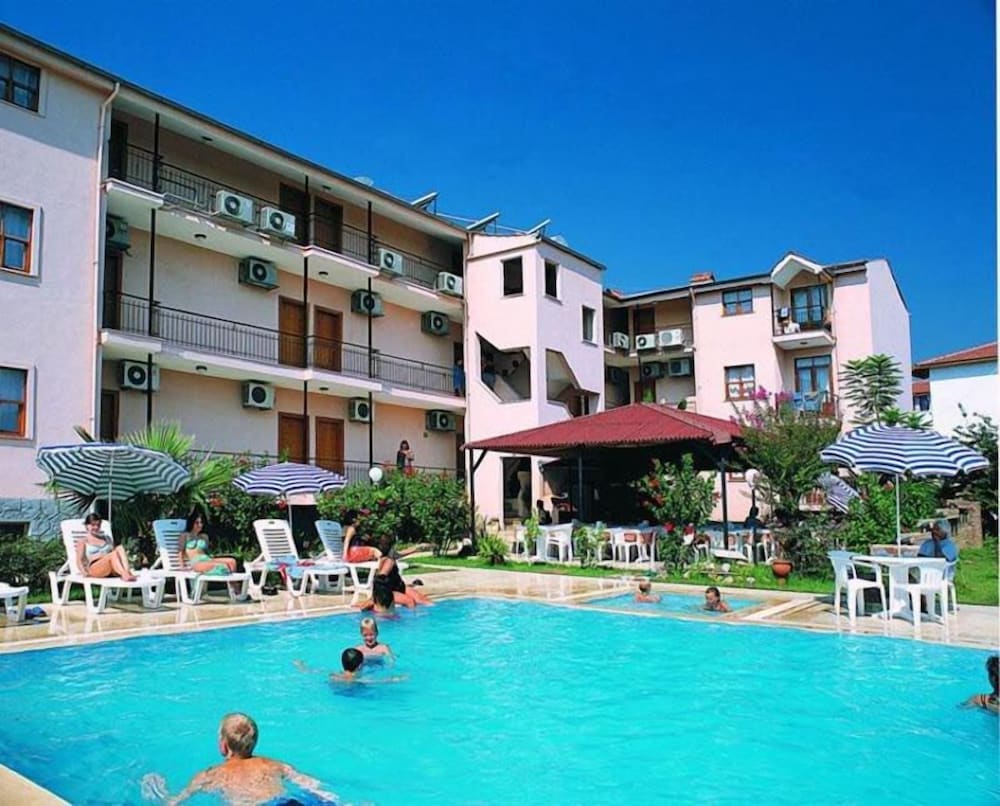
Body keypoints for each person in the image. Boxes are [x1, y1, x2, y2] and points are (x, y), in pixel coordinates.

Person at [146, 712, 332, 805]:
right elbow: (311, 784)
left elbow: (176, 801)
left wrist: (160, 790)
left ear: (223, 745)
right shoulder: (273, 765)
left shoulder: (211, 775)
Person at [76, 512, 137, 582]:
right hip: (95, 568)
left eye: (98, 525)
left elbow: (116, 555)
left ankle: (127, 572)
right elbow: (79, 560)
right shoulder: (83, 541)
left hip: (110, 567)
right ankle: (125, 574)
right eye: (93, 525)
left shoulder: (107, 538)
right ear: (87, 526)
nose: (96, 527)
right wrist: (84, 573)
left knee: (119, 548)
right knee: (112, 554)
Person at [295, 648, 406, 685]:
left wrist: (301, 665)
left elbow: (310, 671)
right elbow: (379, 681)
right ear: (360, 666)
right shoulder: (358, 679)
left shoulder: (333, 675)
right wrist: (396, 678)